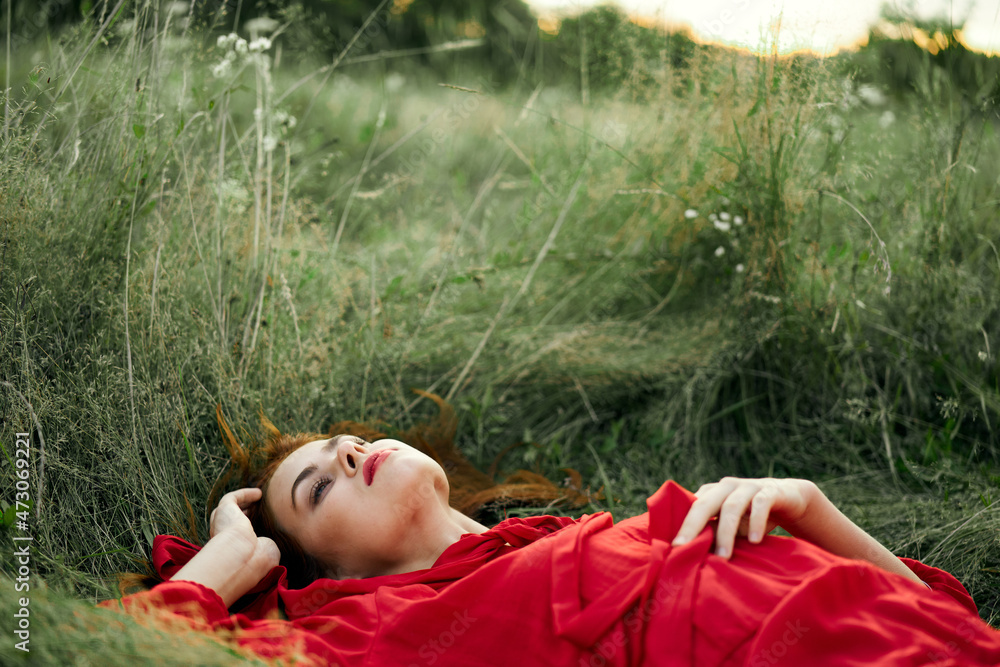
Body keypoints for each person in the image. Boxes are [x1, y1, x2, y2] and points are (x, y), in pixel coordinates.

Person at [107, 401, 1000, 666]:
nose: (351, 454)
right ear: (323, 570)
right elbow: (113, 654)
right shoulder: (362, 632)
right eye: (315, 486)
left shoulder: (558, 536)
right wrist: (233, 557)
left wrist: (812, 508)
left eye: (350, 443)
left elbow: (949, 618)